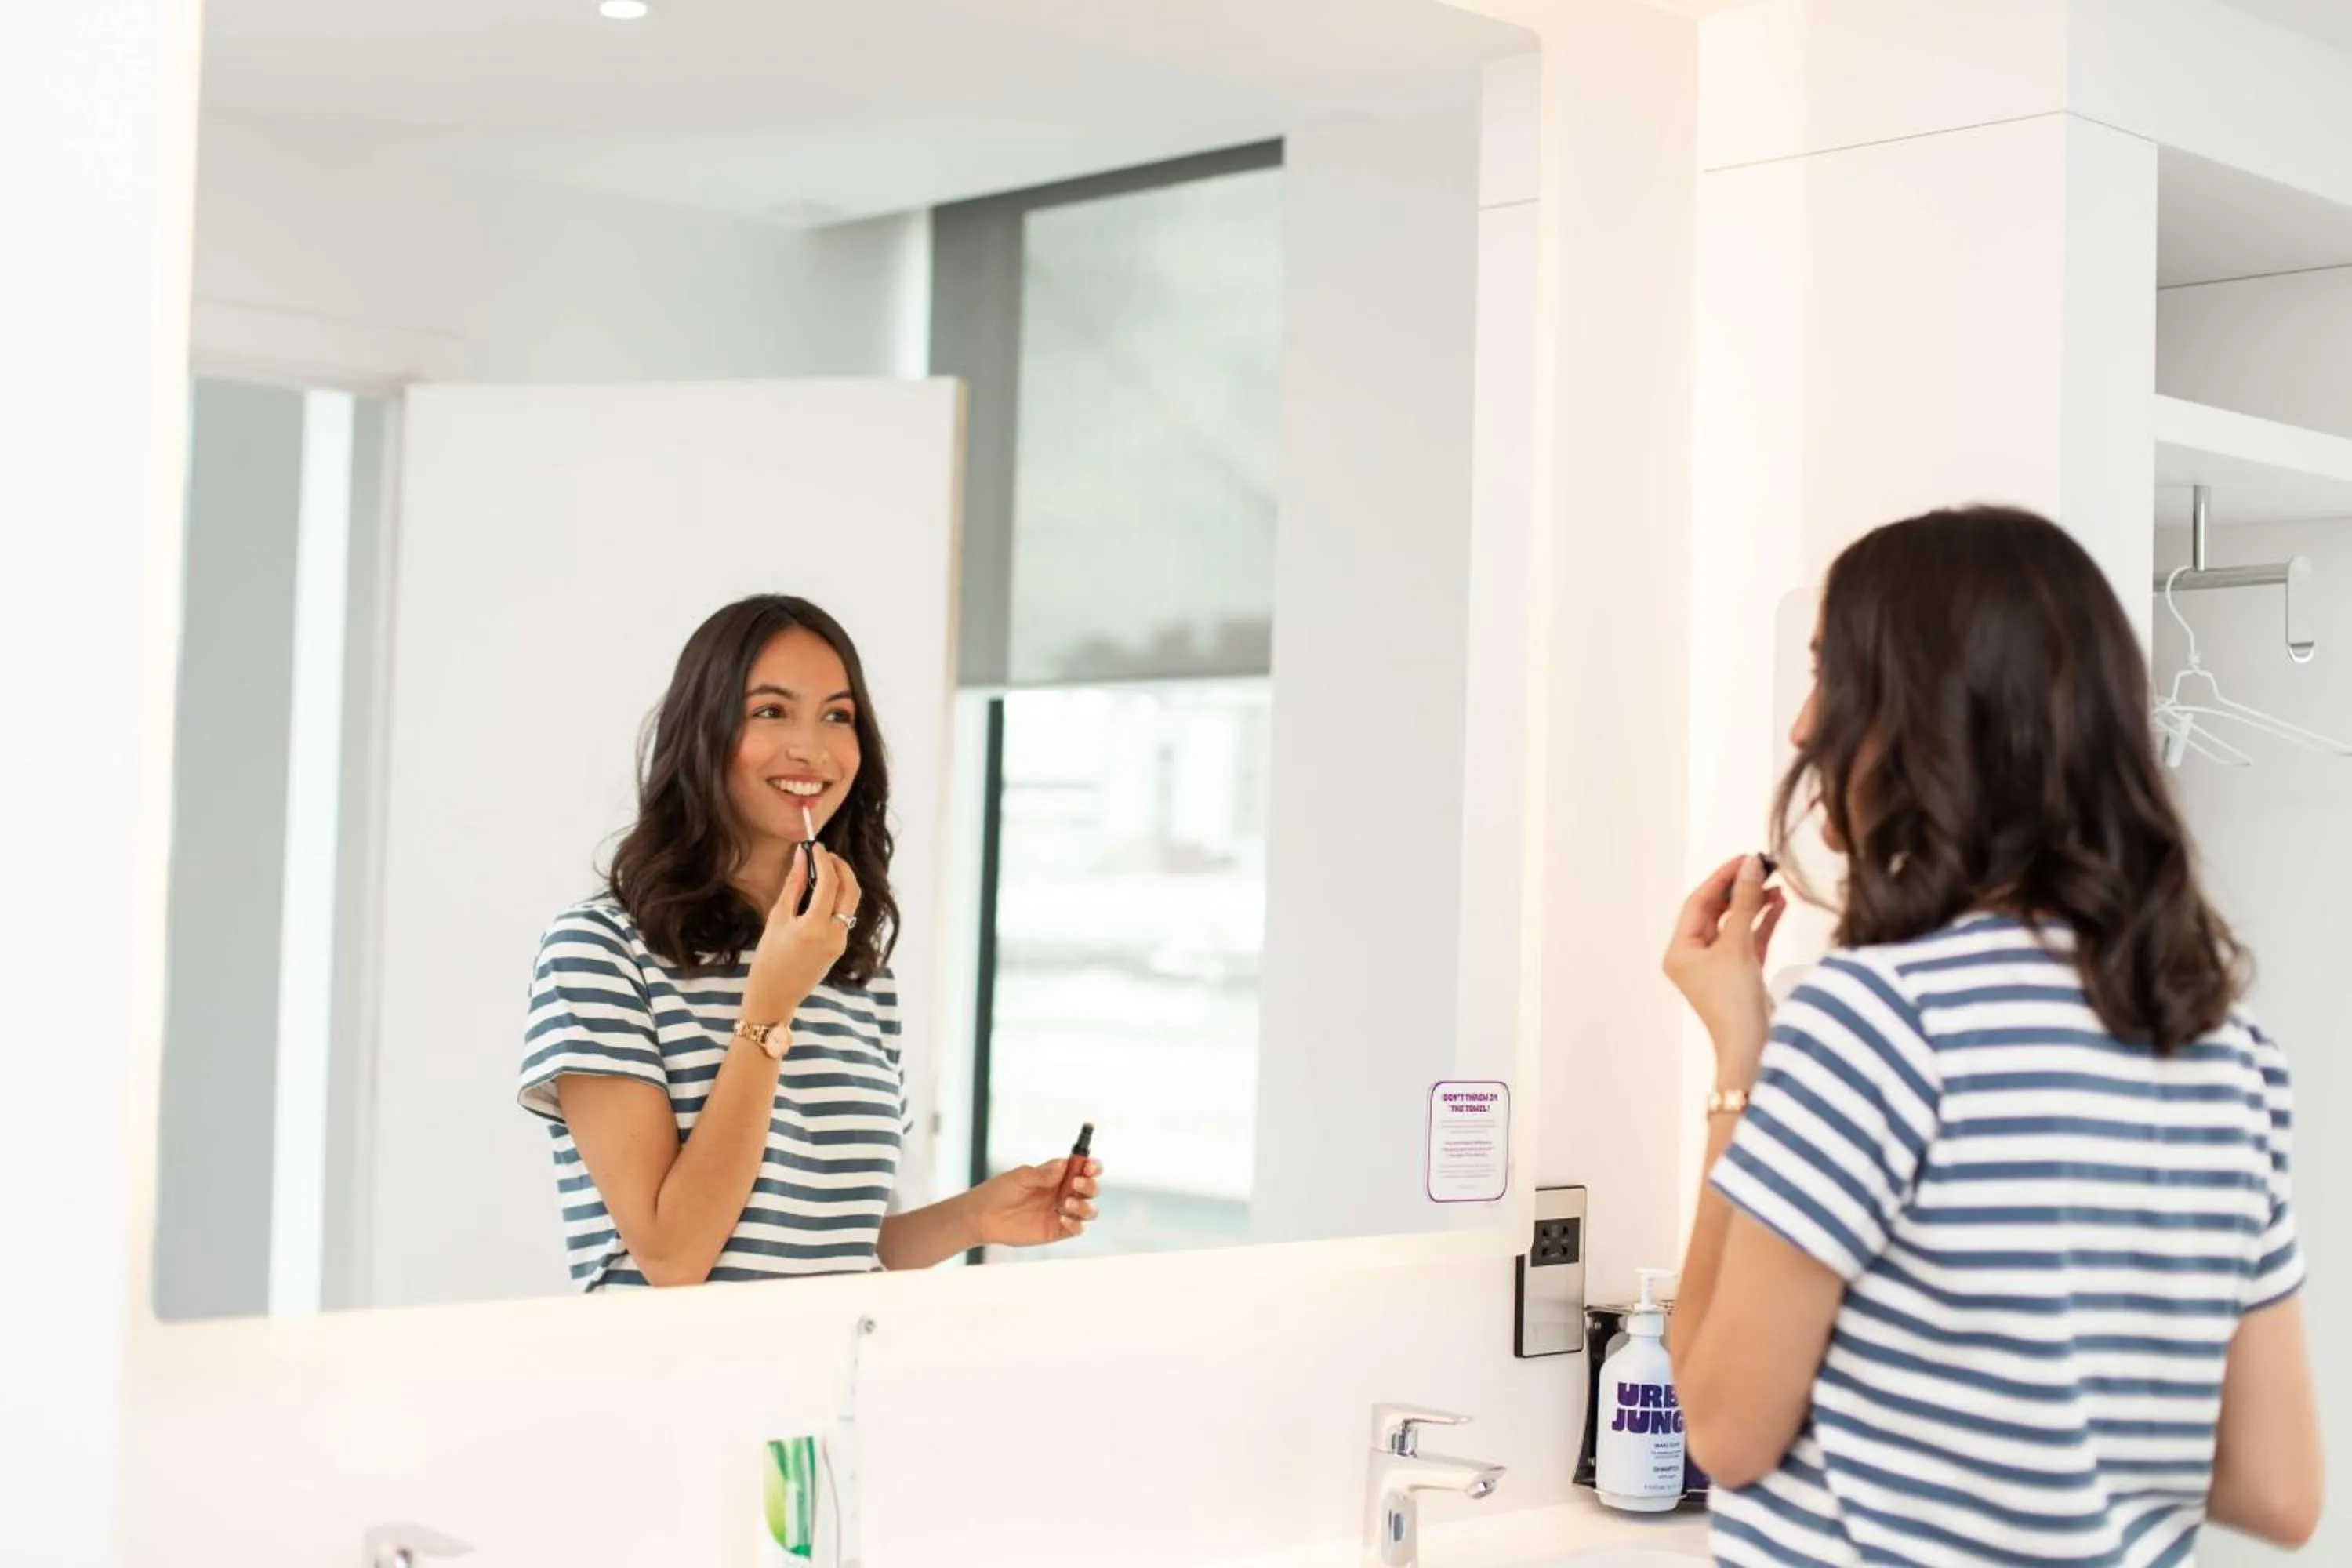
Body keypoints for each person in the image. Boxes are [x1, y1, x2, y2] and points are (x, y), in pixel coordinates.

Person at [1661, 506, 2322, 1563]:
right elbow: (2280, 1490)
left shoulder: (1874, 1022)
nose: (1801, 727)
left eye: (1833, 673)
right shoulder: (2226, 1059)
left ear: (1928, 713)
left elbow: (1724, 1430)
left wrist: (1741, 1063)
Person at [517, 594, 1099, 1289]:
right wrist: (769, 1008)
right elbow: (674, 1257)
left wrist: (972, 1219)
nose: (811, 747)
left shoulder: (854, 970)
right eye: (770, 711)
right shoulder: (600, 952)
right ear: (702, 734)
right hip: (667, 1390)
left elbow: (832, 1247)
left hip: (831, 1386)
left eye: (837, 715)